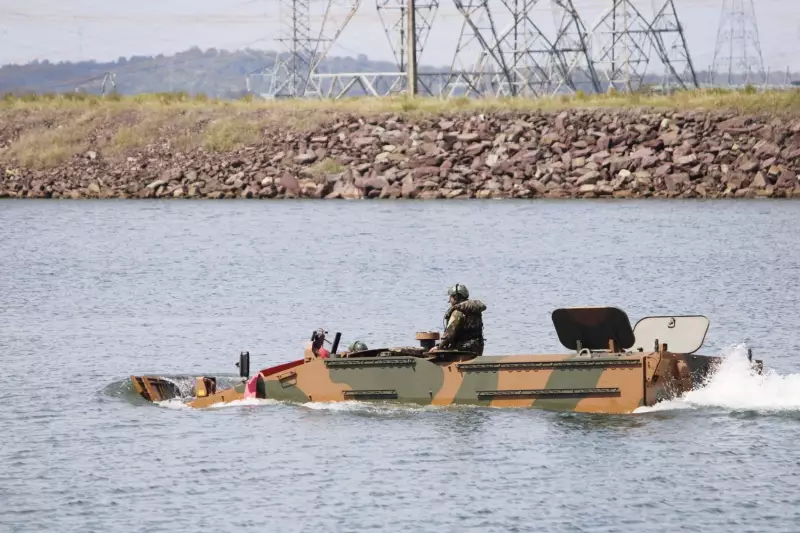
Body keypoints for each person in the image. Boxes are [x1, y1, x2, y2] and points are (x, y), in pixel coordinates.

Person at [435, 283, 487, 356]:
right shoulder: (475, 310)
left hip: (463, 350)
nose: (449, 300)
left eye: (451, 297)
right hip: (477, 348)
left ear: (456, 297)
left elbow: (448, 335)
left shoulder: (457, 313)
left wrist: (438, 347)